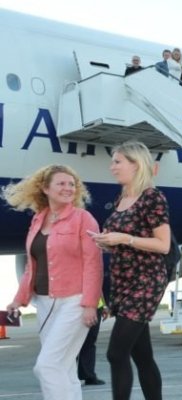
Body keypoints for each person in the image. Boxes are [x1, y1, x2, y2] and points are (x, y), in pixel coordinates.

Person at [3, 164, 103, 399]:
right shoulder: (38, 220)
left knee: (47, 366)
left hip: (74, 301)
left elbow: (93, 263)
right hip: (44, 303)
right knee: (65, 369)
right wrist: (18, 300)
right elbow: (32, 265)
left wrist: (91, 303)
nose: (68, 188)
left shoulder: (83, 219)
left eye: (71, 184)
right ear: (45, 188)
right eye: (61, 183)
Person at [91, 141, 171, 400]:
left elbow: (163, 245)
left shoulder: (152, 197)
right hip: (123, 282)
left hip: (146, 281)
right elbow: (123, 240)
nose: (112, 166)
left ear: (136, 164)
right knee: (142, 355)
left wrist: (123, 239)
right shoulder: (122, 198)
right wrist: (106, 241)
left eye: (117, 161)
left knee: (116, 353)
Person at [77, 298, 107, 386]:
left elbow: (97, 286)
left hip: (95, 305)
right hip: (77, 305)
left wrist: (103, 305)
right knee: (73, 342)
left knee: (90, 341)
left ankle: (88, 375)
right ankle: (69, 376)